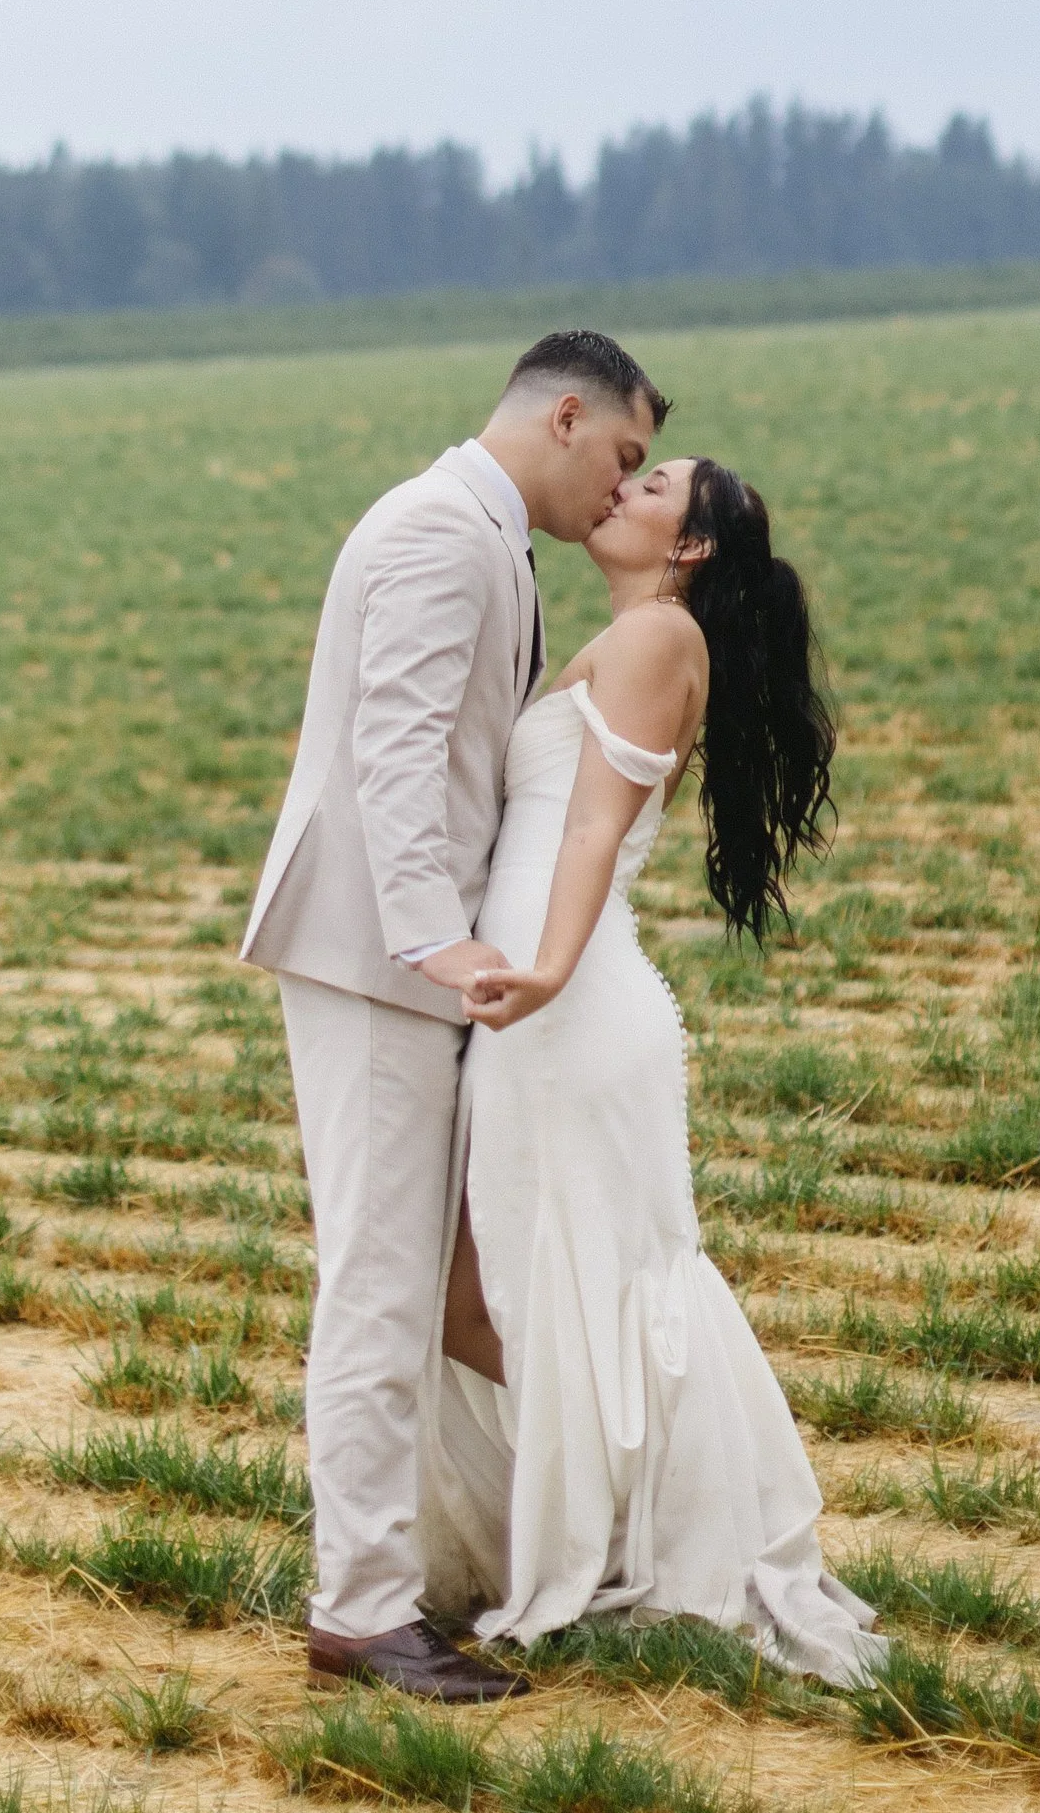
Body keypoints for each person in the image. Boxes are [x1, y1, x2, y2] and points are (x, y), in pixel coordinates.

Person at [240, 327, 665, 1701]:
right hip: (375, 955)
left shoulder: (486, 533)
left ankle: (423, 1569)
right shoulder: (438, 529)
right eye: (623, 455)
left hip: (393, 956)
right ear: (562, 415)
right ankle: (362, 1613)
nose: (622, 487)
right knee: (378, 1282)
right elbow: (396, 748)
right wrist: (442, 941)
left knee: (414, 1281)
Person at [421, 455, 885, 1682]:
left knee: (541, 1289)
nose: (623, 487)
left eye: (654, 484)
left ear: (690, 548)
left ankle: (661, 1520)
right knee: (482, 1290)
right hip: (537, 999)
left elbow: (590, 826)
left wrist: (550, 969)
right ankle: (620, 1509)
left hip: (565, 1008)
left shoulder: (655, 640)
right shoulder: (633, 632)